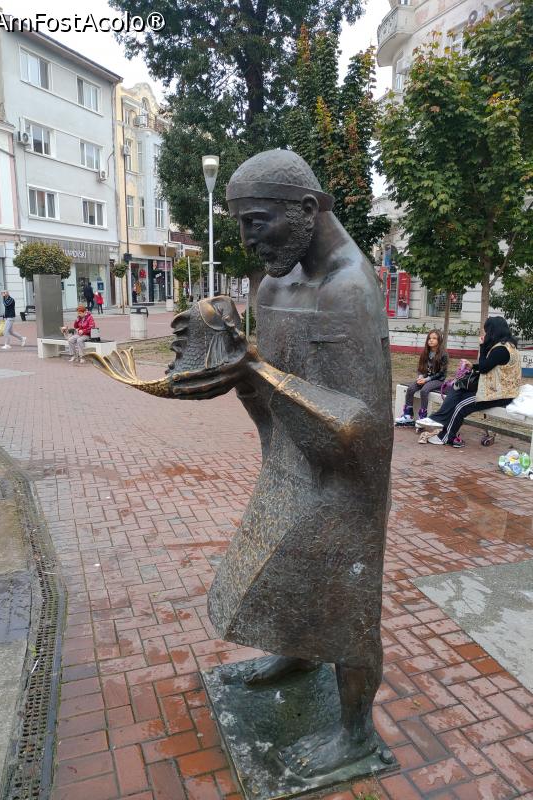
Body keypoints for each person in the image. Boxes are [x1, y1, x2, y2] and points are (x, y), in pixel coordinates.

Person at [164, 150, 392, 777]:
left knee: (347, 603)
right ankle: (300, 652)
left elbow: (359, 429)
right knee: (277, 573)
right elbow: (276, 397)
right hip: (292, 464)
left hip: (347, 484)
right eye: (240, 223)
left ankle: (356, 734)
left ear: (307, 209)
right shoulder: (274, 286)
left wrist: (253, 369)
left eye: (256, 221)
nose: (247, 239)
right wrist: (232, 373)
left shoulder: (349, 290)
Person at [417, 316, 521, 447]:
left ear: (493, 331)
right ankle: (437, 418)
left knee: (461, 405)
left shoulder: (501, 349)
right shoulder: (507, 346)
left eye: (487, 331)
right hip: (495, 390)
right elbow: (489, 365)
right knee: (458, 387)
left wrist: (482, 347)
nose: (485, 334)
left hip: (500, 394)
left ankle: (446, 436)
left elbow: (484, 368)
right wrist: (472, 366)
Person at [395, 329, 448, 426]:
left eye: (434, 338)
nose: (431, 340)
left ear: (439, 340)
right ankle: (408, 416)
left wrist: (426, 380)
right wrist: (420, 377)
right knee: (411, 389)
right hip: (425, 378)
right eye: (429, 338)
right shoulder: (425, 352)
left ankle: (422, 417)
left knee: (424, 390)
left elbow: (441, 373)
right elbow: (420, 368)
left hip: (438, 380)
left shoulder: (443, 354)